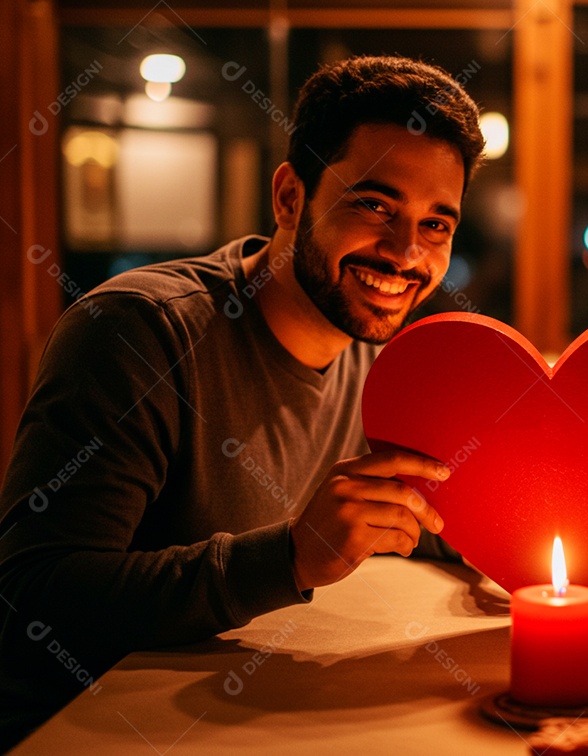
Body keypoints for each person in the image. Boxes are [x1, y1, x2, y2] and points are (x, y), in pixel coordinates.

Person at [0, 55, 483, 747]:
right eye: (373, 204)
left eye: (437, 224)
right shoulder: (140, 332)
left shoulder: (383, 361)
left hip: (248, 727)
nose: (407, 253)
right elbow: (32, 598)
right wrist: (287, 559)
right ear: (290, 197)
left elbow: (422, 523)